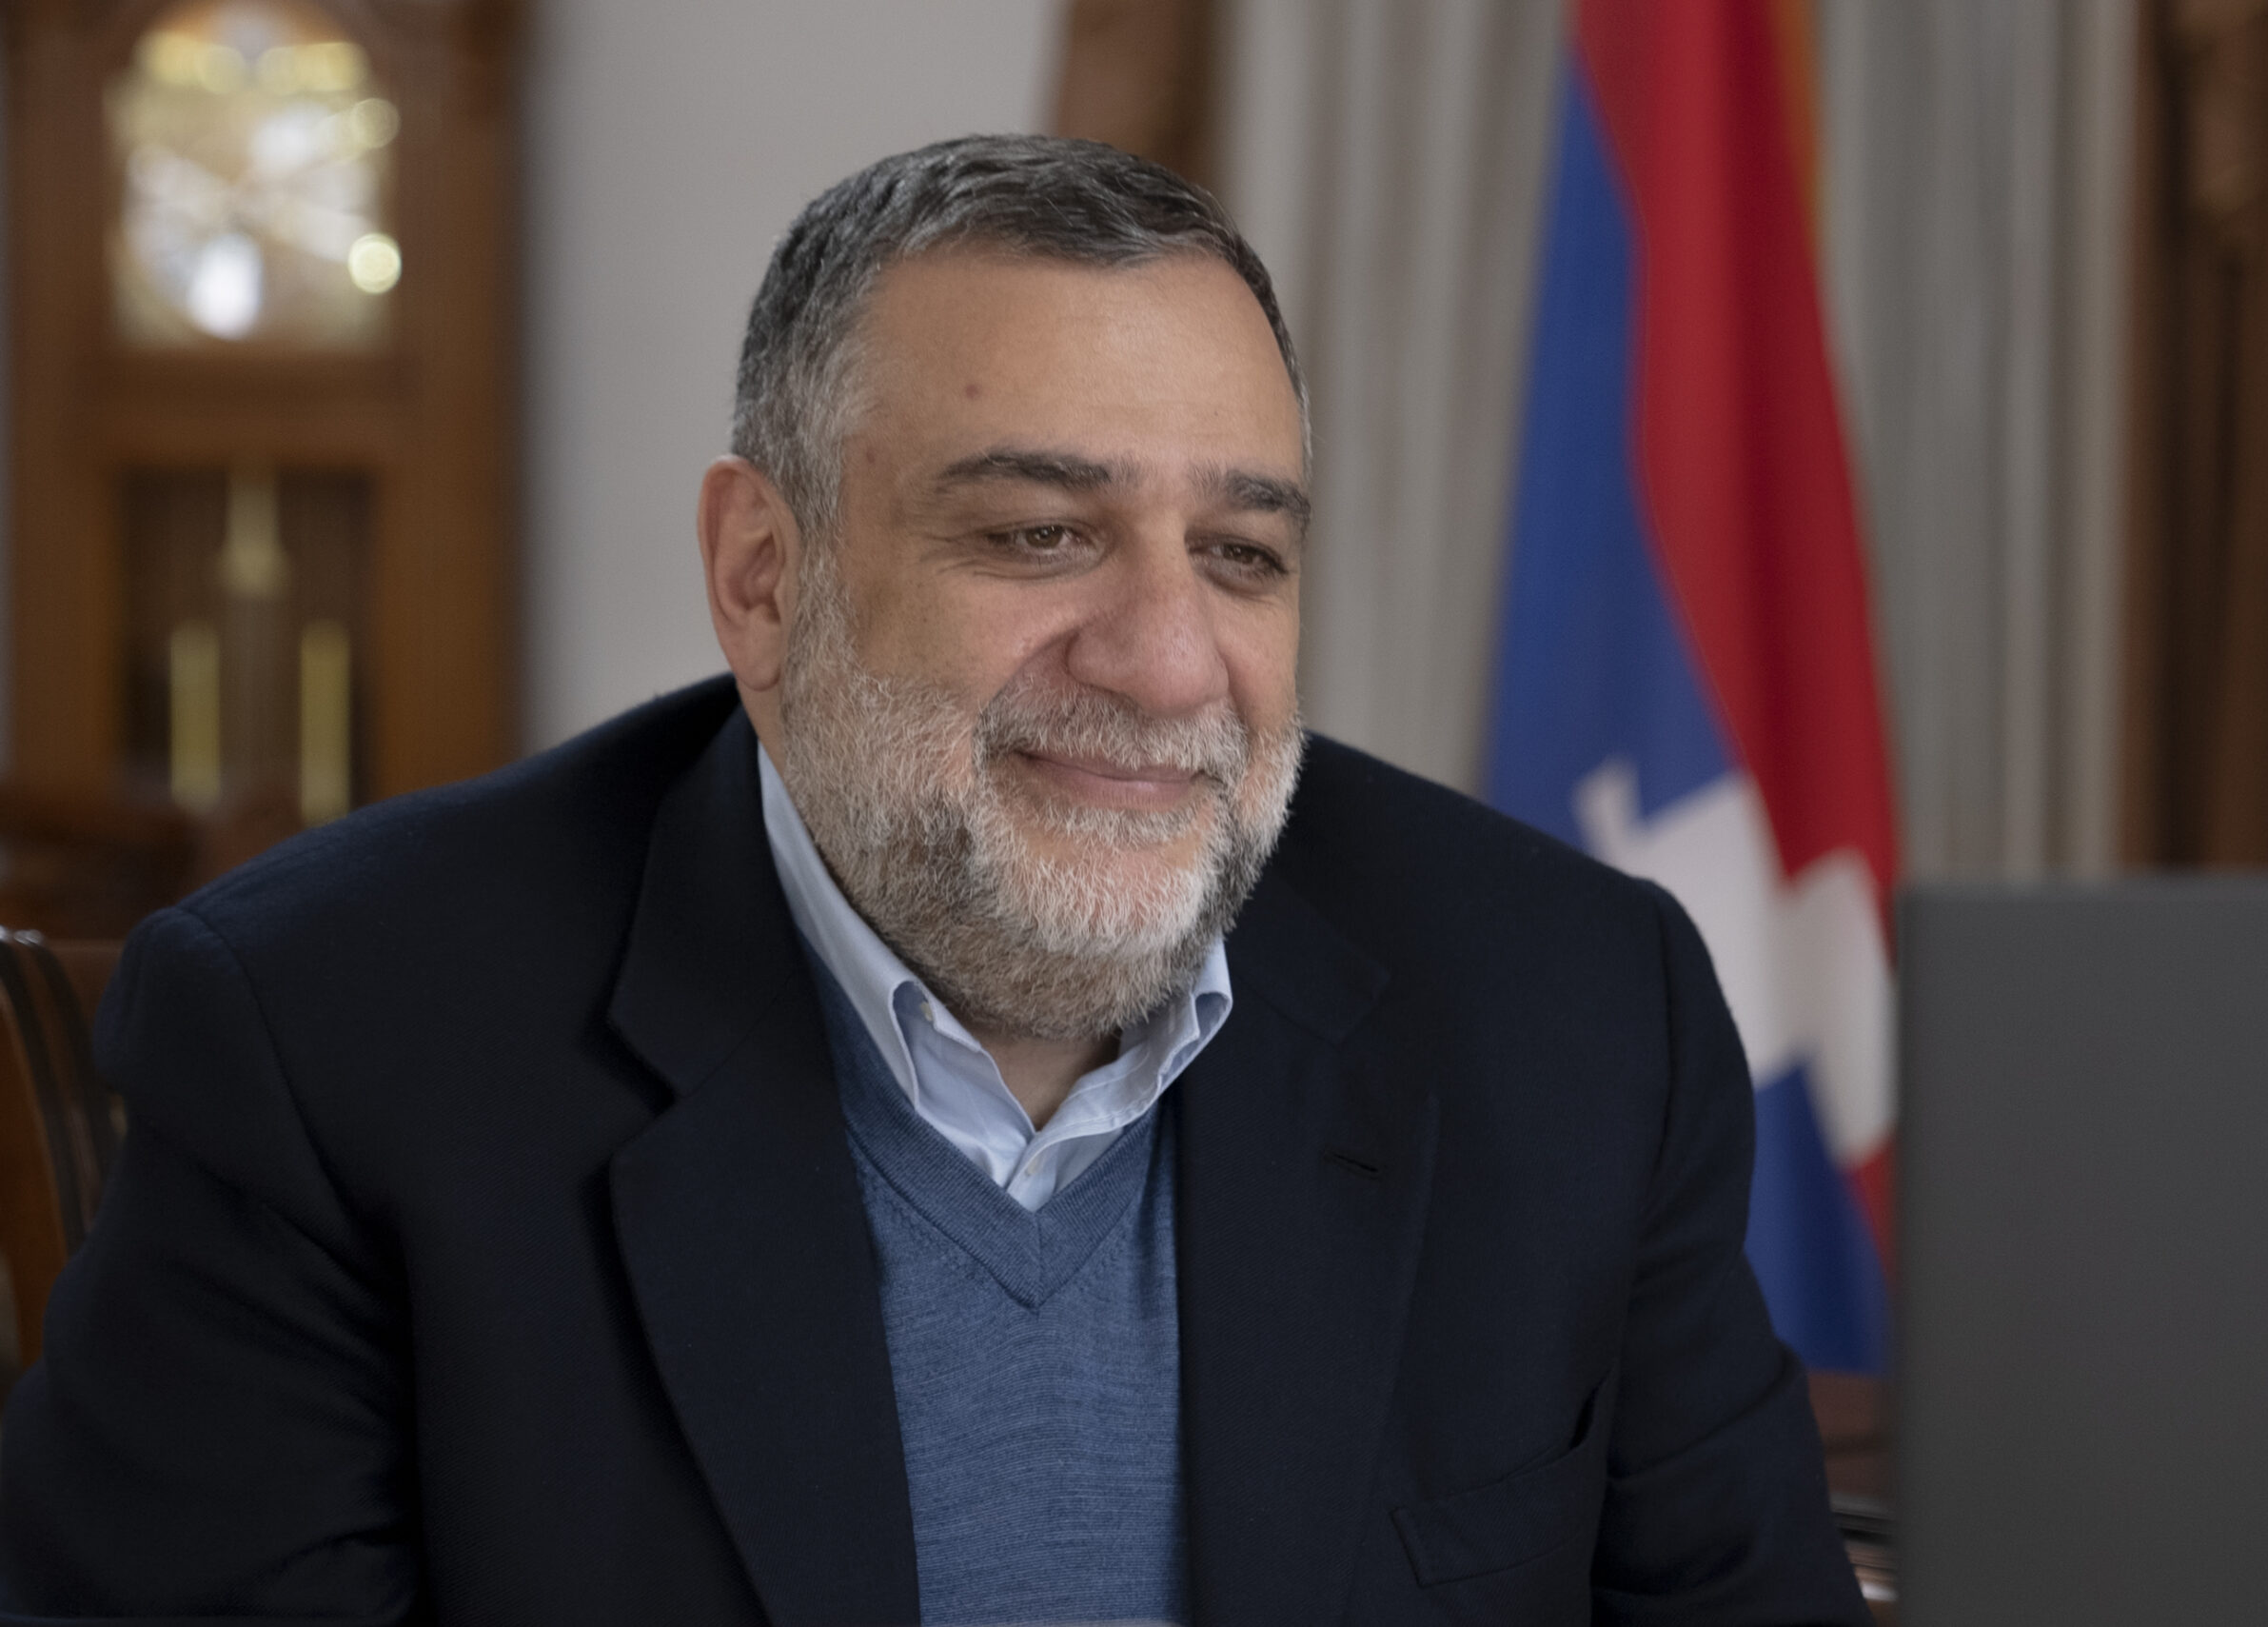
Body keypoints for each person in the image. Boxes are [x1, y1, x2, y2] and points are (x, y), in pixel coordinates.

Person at [0, 136, 1869, 1626]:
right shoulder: (332, 1043)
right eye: (1040, 531)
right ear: (763, 578)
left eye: (1239, 553)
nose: (1166, 661)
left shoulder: (1571, 1011)